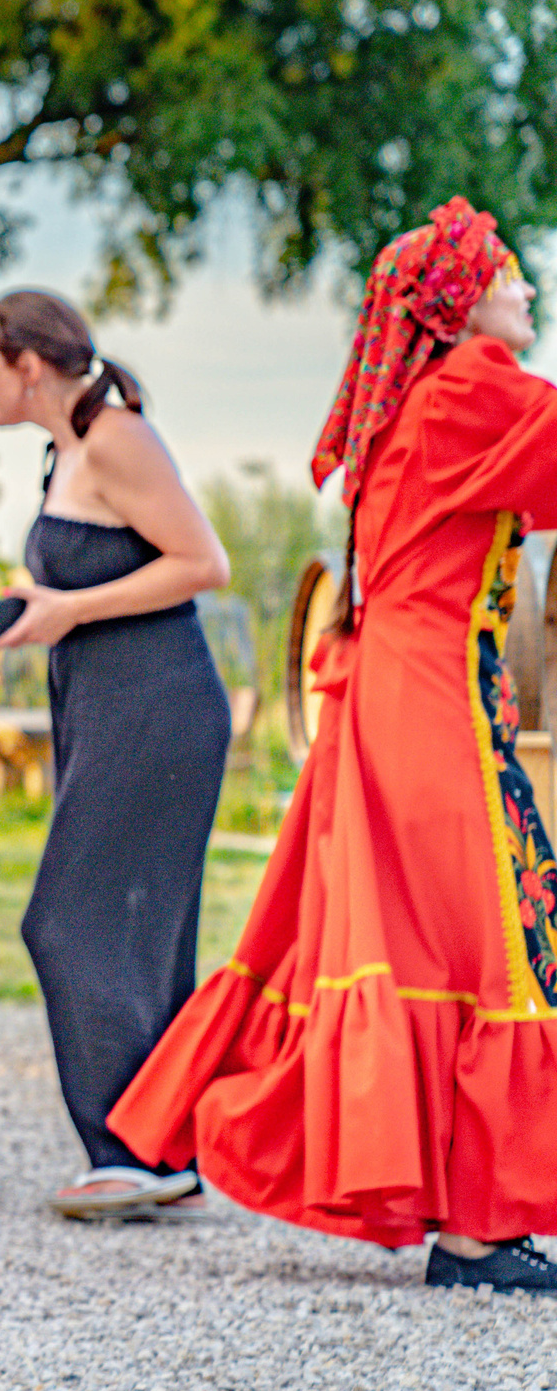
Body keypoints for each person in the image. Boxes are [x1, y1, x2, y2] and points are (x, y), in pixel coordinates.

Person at [109, 199, 557, 1295]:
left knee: (441, 936)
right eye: (510, 278)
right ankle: (473, 1233)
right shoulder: (462, 386)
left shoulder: (421, 399)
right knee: (481, 941)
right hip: (427, 693)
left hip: (409, 689)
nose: (530, 295)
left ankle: (468, 1219)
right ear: (457, 305)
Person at [0, 290, 230, 1222]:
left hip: (156, 704)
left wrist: (69, 612)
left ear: (28, 363)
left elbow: (202, 563)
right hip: (105, 703)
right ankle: (161, 1152)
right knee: (136, 934)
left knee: (67, 921)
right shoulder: (63, 451)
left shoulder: (117, 436)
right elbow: (50, 596)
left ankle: (130, 1148)